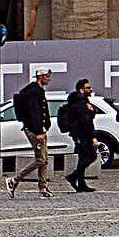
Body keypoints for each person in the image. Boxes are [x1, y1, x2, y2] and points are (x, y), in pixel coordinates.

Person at [8, 68, 53, 198]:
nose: (49, 79)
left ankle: (43, 187)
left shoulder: (38, 90)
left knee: (45, 160)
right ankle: (15, 180)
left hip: (40, 130)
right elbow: (34, 112)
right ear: (41, 77)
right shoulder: (33, 92)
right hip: (35, 131)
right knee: (40, 160)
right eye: (47, 76)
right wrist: (38, 132)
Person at [60, 78, 100, 193]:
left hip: (78, 133)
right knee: (91, 156)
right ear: (82, 90)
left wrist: (92, 112)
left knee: (82, 157)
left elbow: (87, 117)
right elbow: (86, 121)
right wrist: (93, 137)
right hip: (82, 134)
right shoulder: (81, 103)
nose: (90, 89)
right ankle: (73, 176)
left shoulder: (79, 101)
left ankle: (81, 183)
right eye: (88, 88)